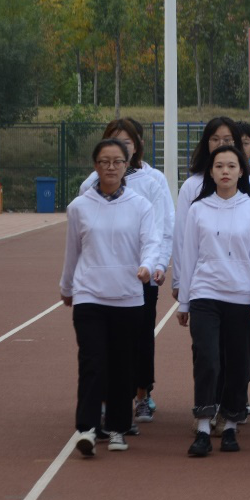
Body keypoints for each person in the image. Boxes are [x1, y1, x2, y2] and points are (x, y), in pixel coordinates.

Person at [59, 138, 162, 457]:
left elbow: (151, 242)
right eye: (104, 161)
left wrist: (147, 266)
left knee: (122, 365)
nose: (111, 167)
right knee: (92, 362)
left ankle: (118, 427)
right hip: (89, 295)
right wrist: (67, 287)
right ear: (95, 166)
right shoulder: (80, 207)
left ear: (126, 165)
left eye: (117, 161)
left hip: (127, 297)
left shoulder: (140, 206)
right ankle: (87, 428)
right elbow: (72, 251)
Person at [175, 145, 250, 457]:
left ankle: (231, 424)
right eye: (219, 166)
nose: (225, 171)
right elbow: (189, 257)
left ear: (242, 171)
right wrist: (184, 302)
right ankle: (204, 427)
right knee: (207, 357)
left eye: (232, 166)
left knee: (238, 361)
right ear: (211, 171)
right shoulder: (198, 209)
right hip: (205, 293)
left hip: (241, 297)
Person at [78, 119, 174, 424]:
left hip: (141, 275)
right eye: (114, 140)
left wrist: (158, 264)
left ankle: (142, 394)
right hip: (101, 277)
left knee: (141, 338)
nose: (121, 148)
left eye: (127, 142)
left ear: (137, 146)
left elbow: (164, 226)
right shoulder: (89, 185)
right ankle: (106, 400)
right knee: (103, 342)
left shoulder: (153, 181)